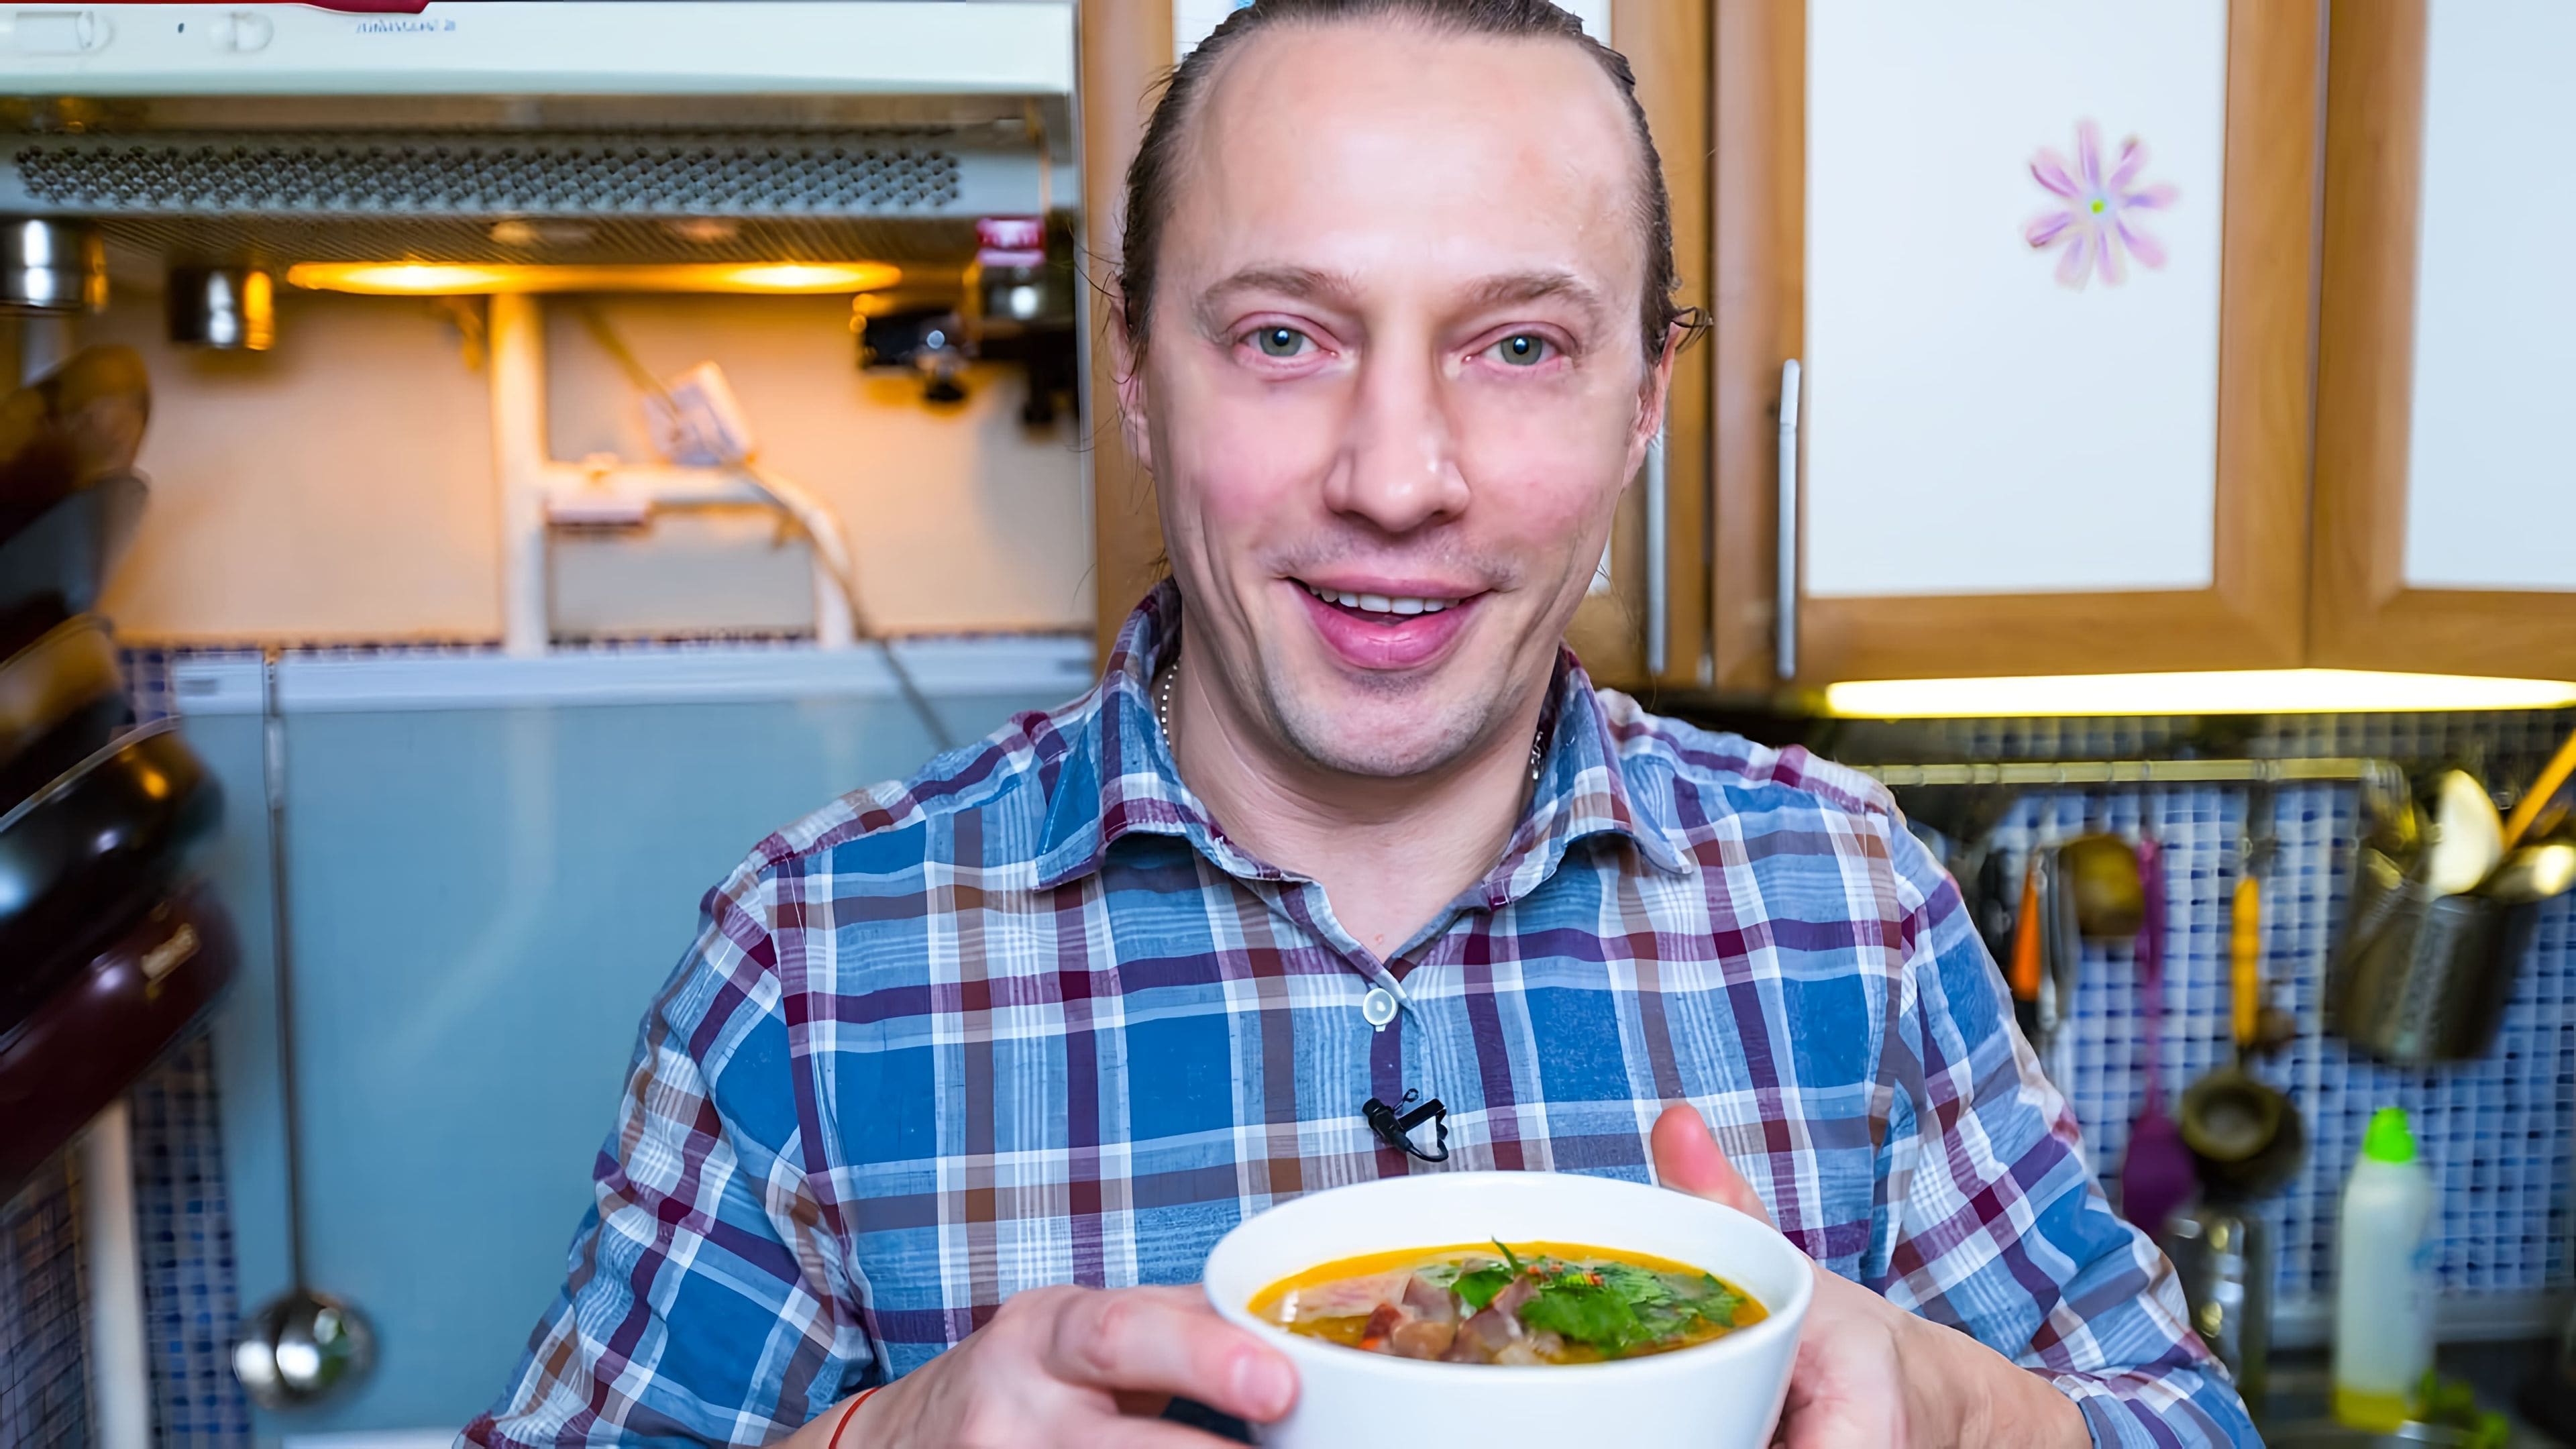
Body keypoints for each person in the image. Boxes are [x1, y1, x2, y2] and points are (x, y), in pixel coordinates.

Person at [469, 2, 2257, 1445]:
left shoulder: (1848, 903)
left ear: (1646, 400)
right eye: (1284, 338)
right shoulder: (814, 961)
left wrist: (1973, 1413)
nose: (1397, 479)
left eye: (1521, 348)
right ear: (1138, 371)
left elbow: (2177, 1419)